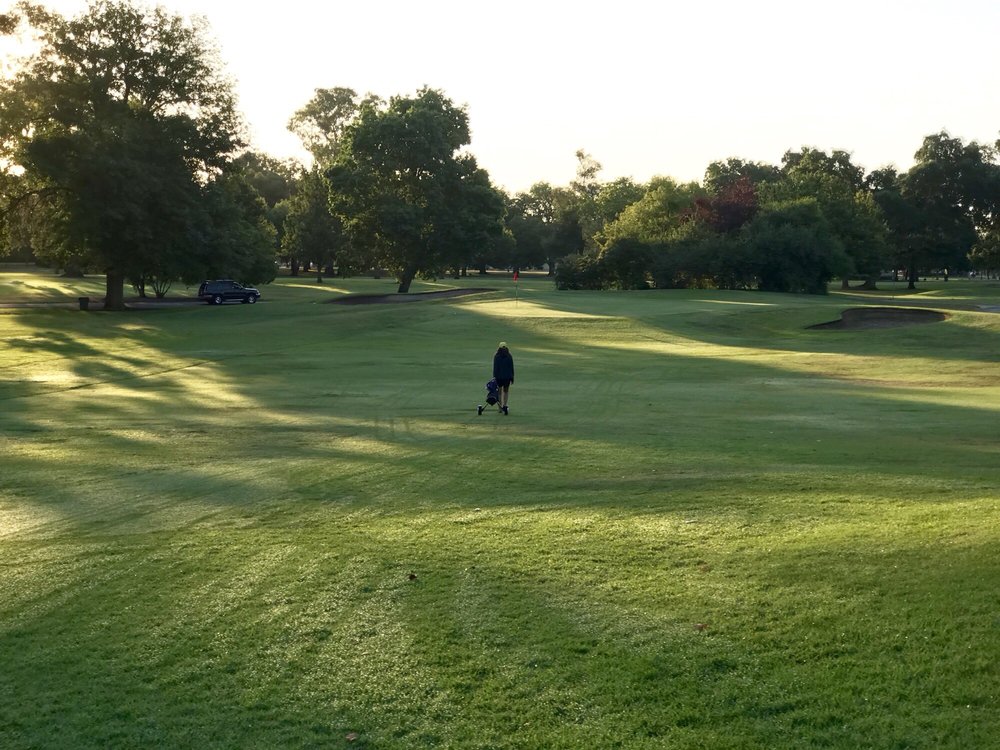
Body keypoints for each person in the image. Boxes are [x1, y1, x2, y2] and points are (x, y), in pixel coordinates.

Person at [492, 341, 514, 415]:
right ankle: (505, 405)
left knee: (499, 392)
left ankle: (500, 408)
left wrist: (494, 376)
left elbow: (495, 368)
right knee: (506, 391)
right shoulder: (509, 355)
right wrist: (512, 377)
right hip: (507, 377)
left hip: (499, 377)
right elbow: (511, 367)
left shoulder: (496, 356)